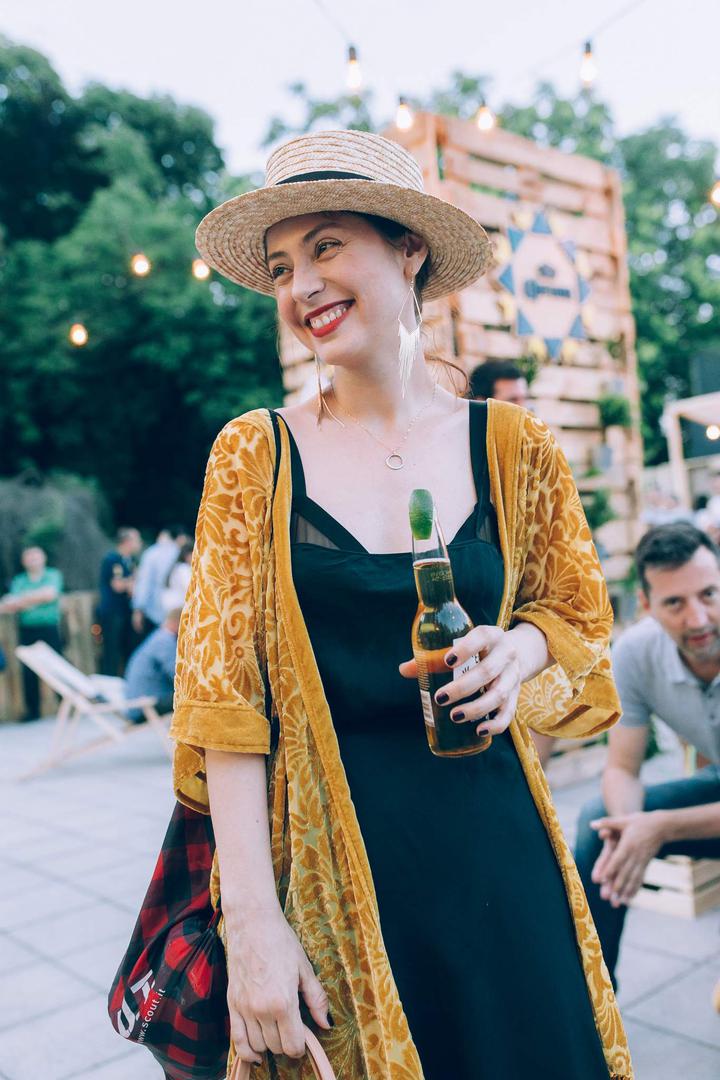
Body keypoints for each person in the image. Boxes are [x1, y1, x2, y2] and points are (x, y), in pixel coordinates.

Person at [170, 130, 632, 1079]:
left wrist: (519, 653)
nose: (302, 286)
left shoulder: (515, 444)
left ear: (409, 248)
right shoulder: (254, 456)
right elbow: (223, 704)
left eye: (327, 246)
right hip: (336, 881)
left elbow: (578, 619)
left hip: (501, 855)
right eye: (282, 266)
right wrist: (251, 923)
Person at [575, 522, 720, 987]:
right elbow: (621, 768)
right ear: (645, 604)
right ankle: (597, 1003)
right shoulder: (636, 653)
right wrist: (631, 828)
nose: (697, 619)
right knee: (600, 824)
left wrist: (661, 827)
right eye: (675, 603)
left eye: (709, 594)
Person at [0, 546, 63, 721]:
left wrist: (23, 600)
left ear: (43, 558)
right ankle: (33, 711)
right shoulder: (20, 580)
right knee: (29, 670)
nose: (33, 560)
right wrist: (35, 598)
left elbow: (49, 594)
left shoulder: (52, 574)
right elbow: (10, 603)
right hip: (28, 628)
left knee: (56, 666)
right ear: (24, 561)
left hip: (49, 627)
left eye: (36, 556)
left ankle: (65, 704)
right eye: (29, 557)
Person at [123, 607, 181, 722]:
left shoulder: (158, 637)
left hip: (139, 702)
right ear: (178, 622)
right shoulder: (164, 641)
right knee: (195, 698)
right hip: (144, 707)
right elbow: (178, 676)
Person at [98, 527, 142, 676]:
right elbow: (117, 585)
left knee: (127, 648)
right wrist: (133, 581)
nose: (139, 543)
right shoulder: (112, 559)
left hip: (126, 611)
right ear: (127, 541)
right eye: (137, 540)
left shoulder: (130, 561)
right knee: (112, 649)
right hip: (113, 612)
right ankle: (108, 680)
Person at [131, 525, 190, 637]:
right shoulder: (179, 553)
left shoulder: (151, 553)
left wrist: (138, 609)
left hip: (154, 610)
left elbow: (144, 582)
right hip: (178, 610)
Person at [160, 540, 193, 615]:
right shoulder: (183, 568)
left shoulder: (177, 567)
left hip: (170, 606)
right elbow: (189, 588)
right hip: (178, 607)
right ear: (187, 556)